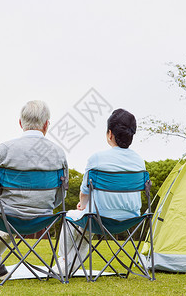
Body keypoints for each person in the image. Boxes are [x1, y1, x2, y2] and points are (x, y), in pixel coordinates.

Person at [0, 100, 68, 281]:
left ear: (21, 123)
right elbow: (61, 195)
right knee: (6, 227)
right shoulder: (59, 153)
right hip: (43, 217)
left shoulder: (5, 149)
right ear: (46, 125)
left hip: (8, 216)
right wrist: (45, 206)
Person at [58, 108, 145, 272]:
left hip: (99, 219)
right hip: (130, 219)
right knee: (84, 224)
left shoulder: (97, 159)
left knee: (71, 217)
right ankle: (71, 266)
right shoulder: (139, 162)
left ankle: (63, 264)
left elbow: (84, 193)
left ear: (110, 134)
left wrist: (82, 204)